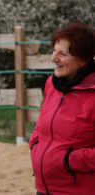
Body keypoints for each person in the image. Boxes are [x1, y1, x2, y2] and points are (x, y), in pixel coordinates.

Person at [29, 23, 95, 195]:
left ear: (83, 59)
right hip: (43, 189)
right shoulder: (52, 84)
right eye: (54, 51)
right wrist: (35, 144)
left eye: (62, 54)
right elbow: (42, 120)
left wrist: (69, 161)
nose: (53, 58)